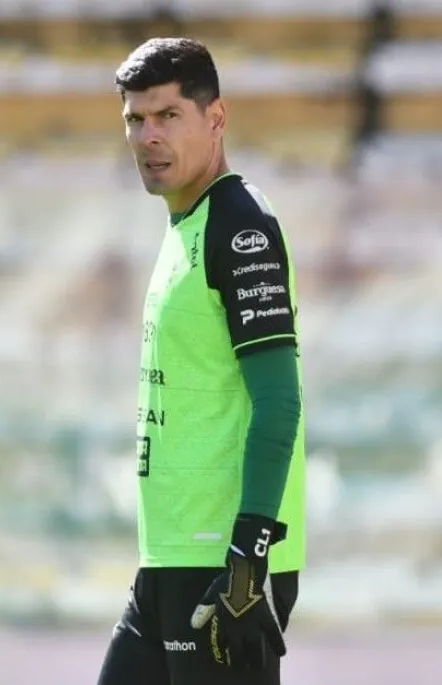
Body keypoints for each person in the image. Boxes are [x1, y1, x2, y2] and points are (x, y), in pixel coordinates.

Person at [96, 37, 307, 685]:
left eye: (167, 116)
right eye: (135, 118)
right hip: (166, 560)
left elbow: (279, 400)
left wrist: (248, 560)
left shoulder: (240, 227)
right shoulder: (185, 226)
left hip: (223, 567)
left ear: (215, 118)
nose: (147, 136)